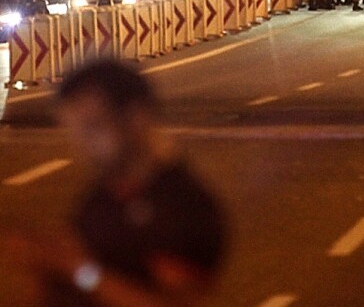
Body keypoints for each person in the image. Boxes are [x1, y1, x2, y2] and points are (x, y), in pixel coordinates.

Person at [4, 60, 227, 306]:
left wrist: (81, 271)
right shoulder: (100, 199)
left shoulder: (185, 207)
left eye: (93, 128)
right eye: (76, 132)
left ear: (136, 118)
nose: (83, 146)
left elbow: (176, 302)